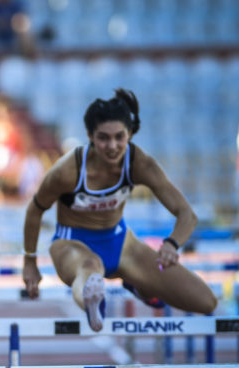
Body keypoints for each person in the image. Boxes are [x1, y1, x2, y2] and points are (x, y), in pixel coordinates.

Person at [22, 89, 217, 331]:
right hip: (71, 243)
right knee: (90, 267)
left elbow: (186, 214)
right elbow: (34, 210)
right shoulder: (68, 171)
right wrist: (30, 261)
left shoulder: (140, 164)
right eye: (103, 138)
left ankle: (136, 284)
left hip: (121, 243)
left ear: (130, 134)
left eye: (119, 137)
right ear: (90, 136)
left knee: (206, 302)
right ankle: (93, 301)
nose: (112, 146)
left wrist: (172, 244)